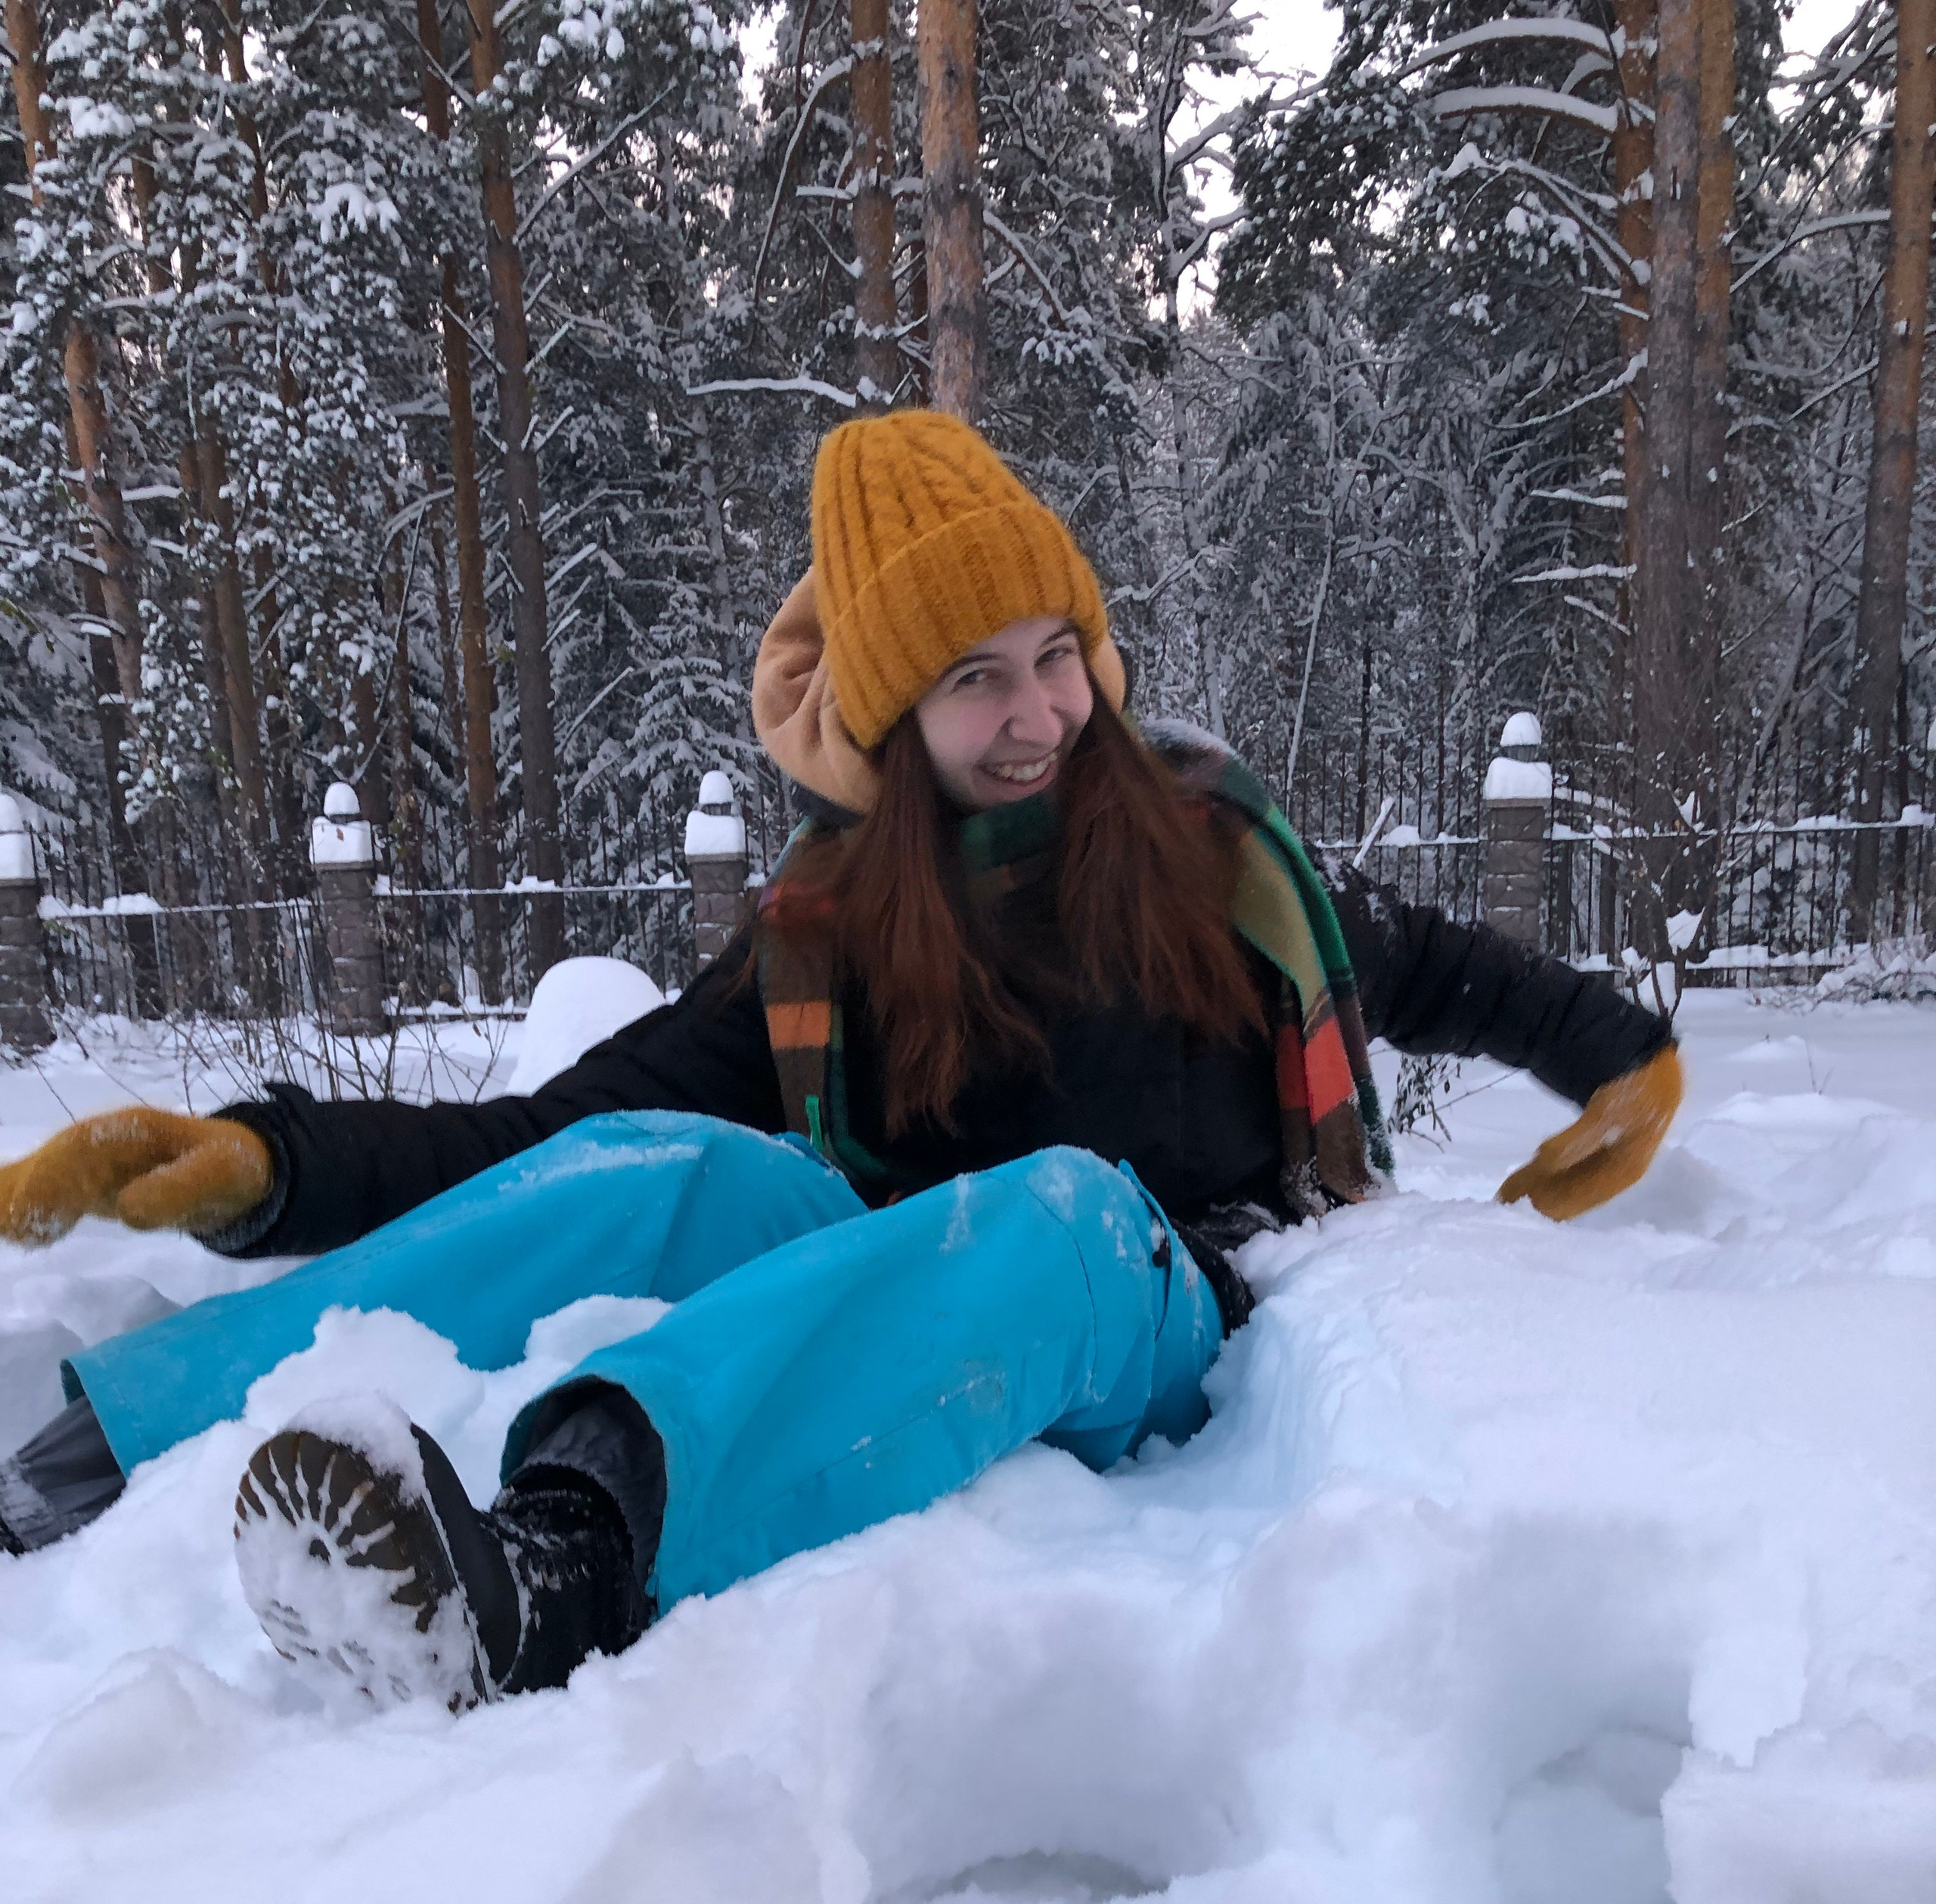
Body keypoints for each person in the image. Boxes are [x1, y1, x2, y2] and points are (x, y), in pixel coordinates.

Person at [0, 412, 1681, 1709]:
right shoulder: (826, 930)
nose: (1034, 716)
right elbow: (559, 1127)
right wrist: (267, 1162)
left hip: (1157, 1302)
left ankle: (560, 1567)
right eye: (973, 681)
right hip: (899, 1290)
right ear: (891, 714)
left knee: (1061, 1204)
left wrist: (1617, 1055)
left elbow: (1428, 964)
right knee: (679, 1164)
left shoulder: (1206, 849)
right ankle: (98, 1452)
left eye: (1052, 662)